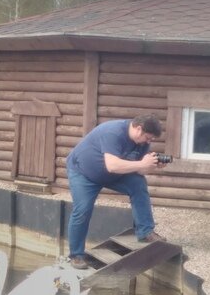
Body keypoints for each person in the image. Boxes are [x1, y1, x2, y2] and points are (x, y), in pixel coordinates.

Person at [66, 114, 167, 269]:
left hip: (113, 174)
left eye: (151, 139)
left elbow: (138, 170)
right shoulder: (113, 132)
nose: (149, 142)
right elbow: (112, 165)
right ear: (138, 129)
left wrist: (150, 166)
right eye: (148, 138)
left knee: (138, 184)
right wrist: (141, 163)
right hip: (83, 173)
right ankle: (76, 256)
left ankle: (145, 232)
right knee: (83, 209)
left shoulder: (141, 143)